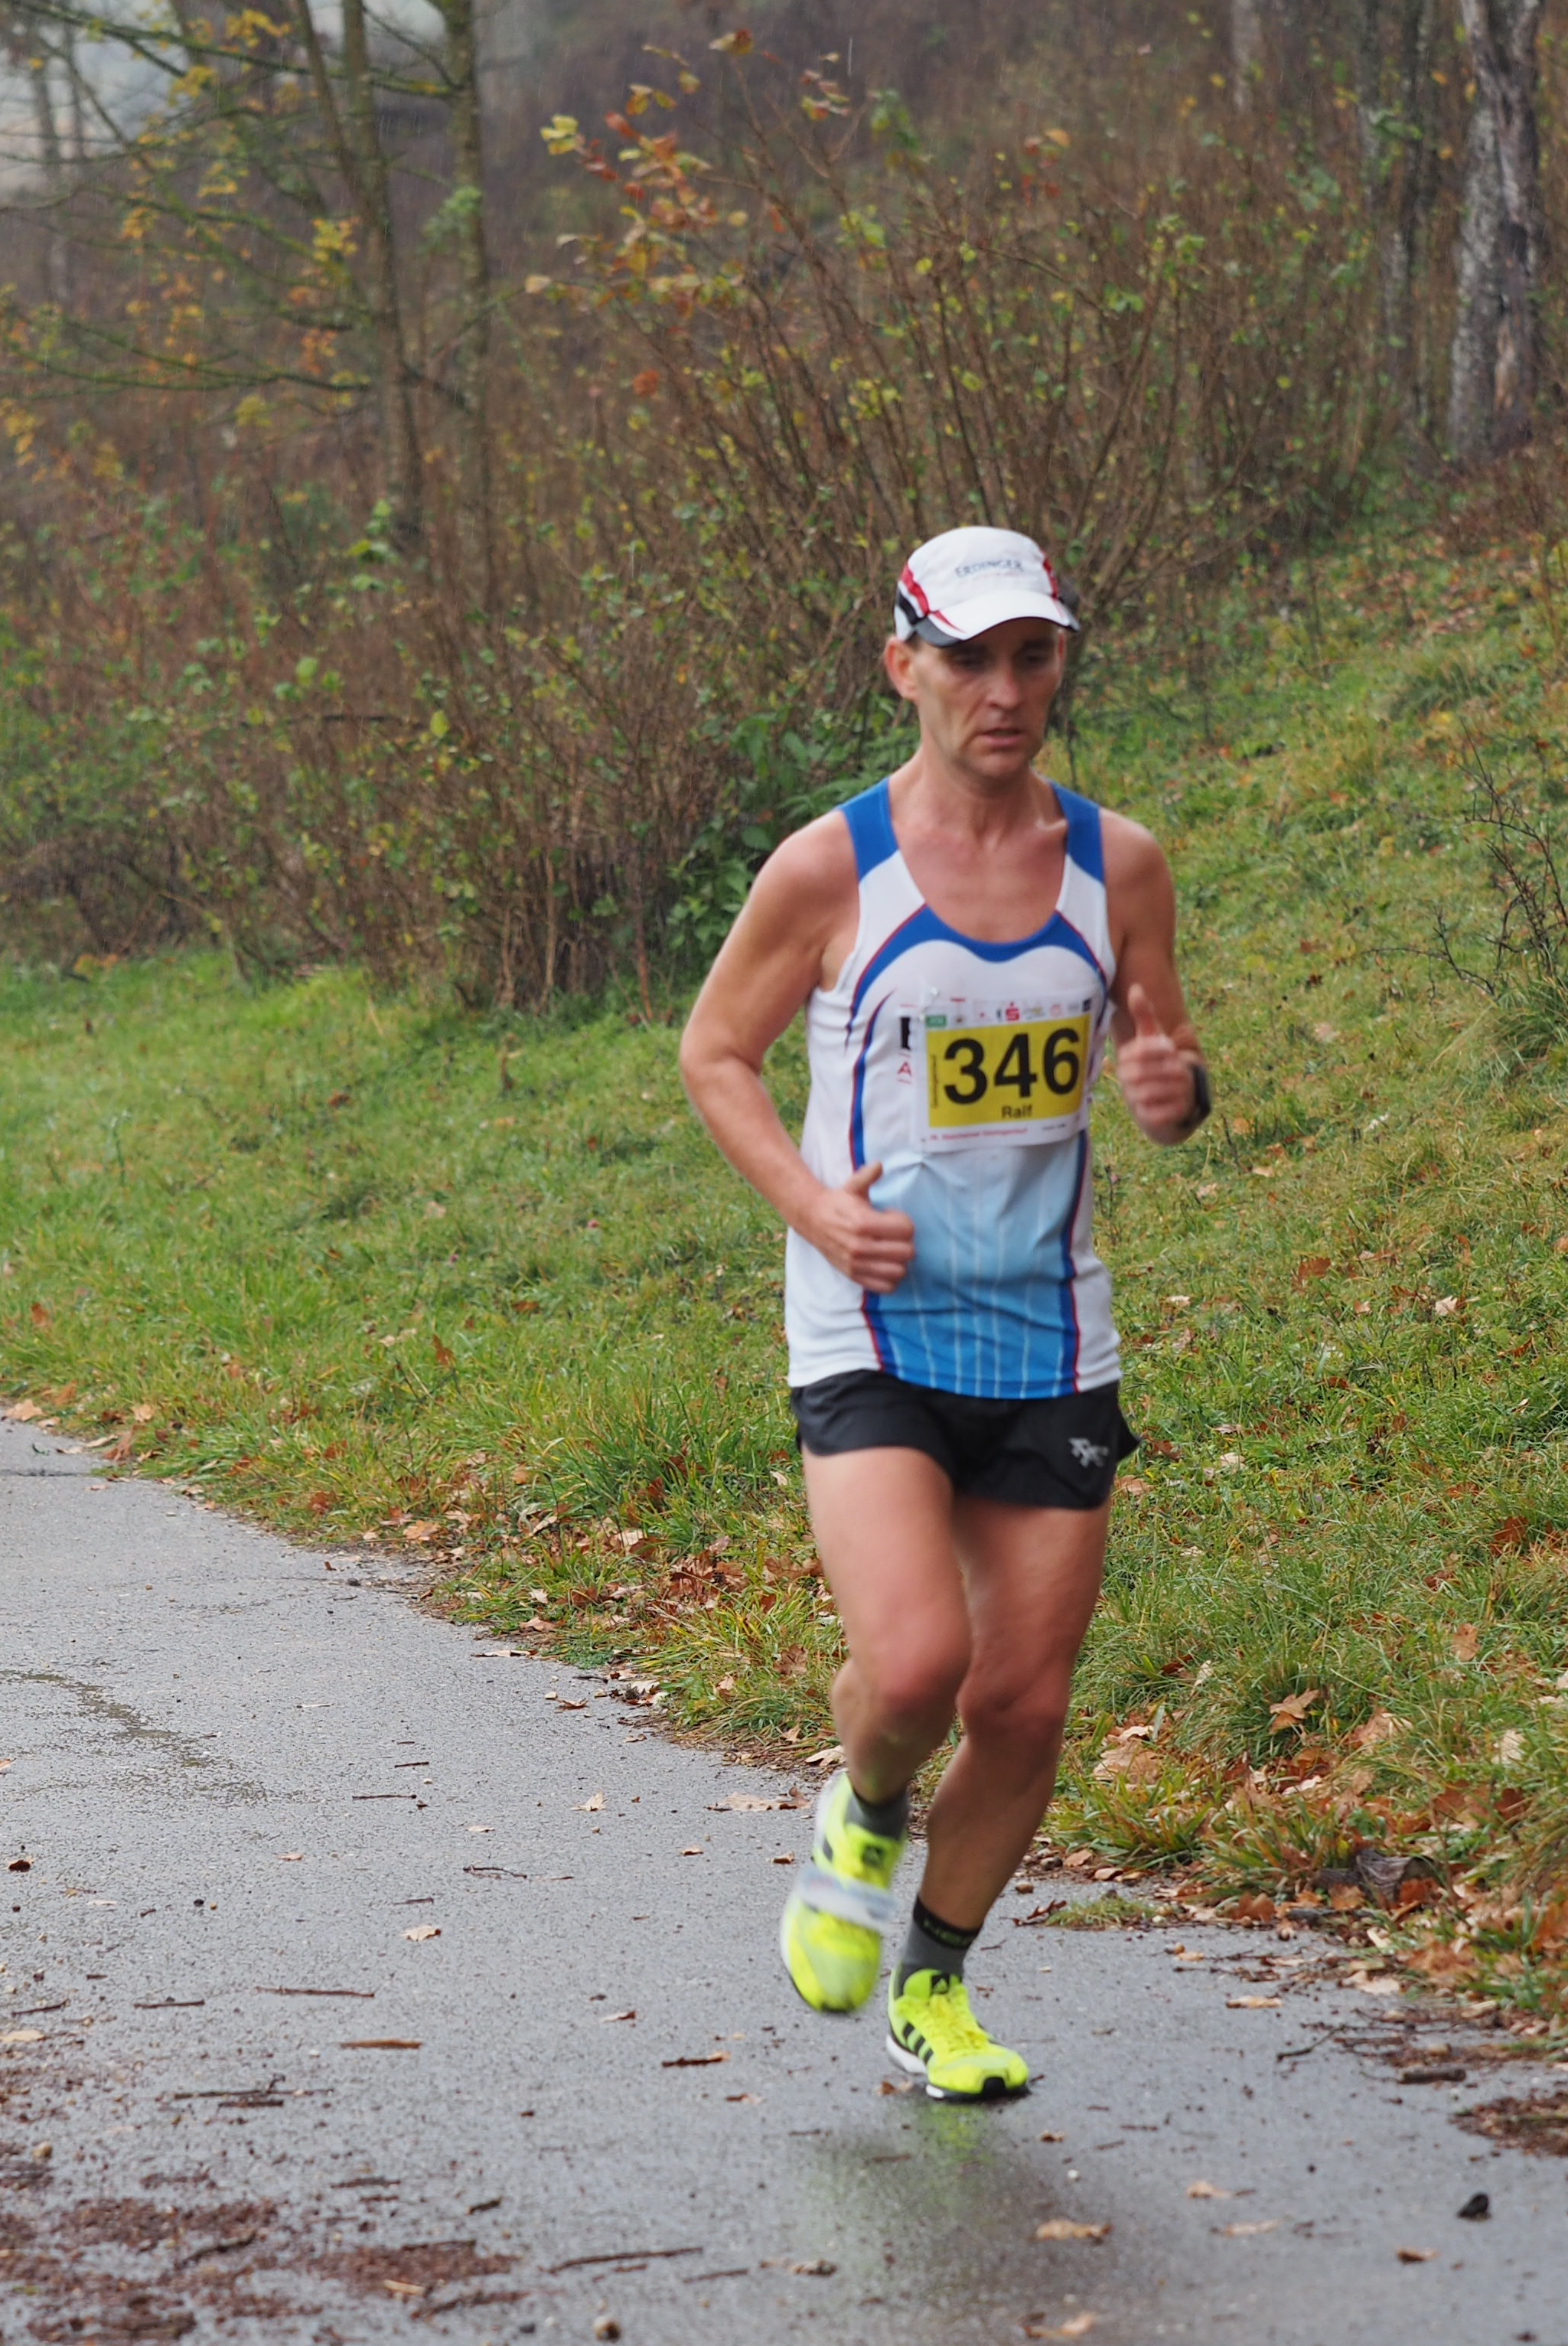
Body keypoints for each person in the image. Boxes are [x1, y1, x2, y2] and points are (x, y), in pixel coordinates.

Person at [678, 526, 1212, 2103]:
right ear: (901, 666)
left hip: (1048, 1334)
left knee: (1023, 1706)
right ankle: (862, 1806)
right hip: (874, 1324)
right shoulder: (829, 869)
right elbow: (715, 1053)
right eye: (968, 658)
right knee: (916, 1670)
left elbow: (1167, 1067)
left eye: (1031, 656)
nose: (1003, 690)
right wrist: (812, 1205)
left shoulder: (1120, 866)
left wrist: (1173, 1092)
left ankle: (934, 1986)